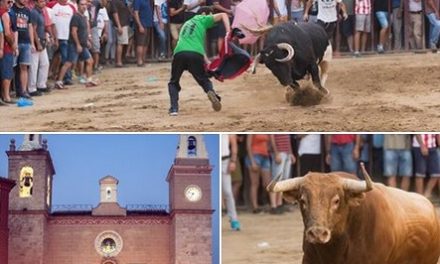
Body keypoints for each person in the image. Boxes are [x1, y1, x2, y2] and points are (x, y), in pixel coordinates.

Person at [167, 7, 230, 116]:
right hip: (195, 54)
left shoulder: (186, 24)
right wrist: (228, 32)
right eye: (210, 14)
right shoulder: (203, 18)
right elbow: (223, 14)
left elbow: (196, 45)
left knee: (174, 81)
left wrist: (207, 62)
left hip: (179, 52)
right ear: (204, 13)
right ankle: (211, 92)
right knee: (203, 79)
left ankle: (174, 109)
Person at [55, 0, 97, 89]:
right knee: (69, 63)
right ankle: (59, 81)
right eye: (82, 5)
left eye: (85, 4)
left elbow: (85, 31)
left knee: (89, 61)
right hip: (74, 44)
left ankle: (89, 80)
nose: (84, 6)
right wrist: (77, 44)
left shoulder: (84, 17)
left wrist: (87, 40)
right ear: (77, 5)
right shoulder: (76, 17)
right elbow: (74, 32)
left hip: (82, 44)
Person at [48, 0, 76, 85]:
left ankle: (66, 77)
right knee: (53, 58)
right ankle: (55, 75)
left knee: (65, 58)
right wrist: (54, 37)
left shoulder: (71, 7)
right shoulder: (53, 6)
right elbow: (51, 23)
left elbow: (74, 22)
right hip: (56, 36)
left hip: (67, 37)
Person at [11, 0, 35, 98]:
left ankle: (24, 91)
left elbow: (30, 27)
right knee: (12, 67)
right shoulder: (11, 9)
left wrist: (32, 43)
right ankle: (10, 91)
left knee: (24, 67)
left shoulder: (27, 10)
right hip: (14, 42)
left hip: (26, 42)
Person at [246, 134, 273, 214]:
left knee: (268, 183)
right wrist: (252, 161)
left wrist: (268, 148)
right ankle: (255, 207)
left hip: (265, 156)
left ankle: (272, 205)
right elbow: (248, 145)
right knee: (255, 183)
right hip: (255, 156)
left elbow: (269, 143)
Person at [28, 0, 51, 96]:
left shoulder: (42, 12)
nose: (44, 3)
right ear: (36, 3)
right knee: (34, 65)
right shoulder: (34, 12)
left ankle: (41, 84)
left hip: (42, 40)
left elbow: (42, 27)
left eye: (44, 1)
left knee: (45, 63)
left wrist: (46, 36)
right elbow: (33, 29)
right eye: (41, 1)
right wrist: (37, 43)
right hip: (37, 41)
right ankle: (32, 88)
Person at [270, 134, 295, 214]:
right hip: (279, 152)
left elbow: (288, 139)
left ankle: (279, 204)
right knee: (276, 179)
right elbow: (272, 136)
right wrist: (276, 152)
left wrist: (290, 153)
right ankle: (273, 205)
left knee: (283, 180)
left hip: (287, 153)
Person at [222, 134, 241, 231]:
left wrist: (233, 161)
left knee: (228, 192)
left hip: (225, 161)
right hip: (215, 159)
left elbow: (234, 143)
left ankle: (234, 220)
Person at [0, 0, 16, 105]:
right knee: (7, 73)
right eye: (8, 1)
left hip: (3, 47)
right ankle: (6, 96)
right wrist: (13, 45)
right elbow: (6, 32)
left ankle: (5, 96)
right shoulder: (4, 13)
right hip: (6, 47)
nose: (10, 3)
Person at [108, 0, 130, 67]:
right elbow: (115, 13)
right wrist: (119, 25)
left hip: (124, 23)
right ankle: (118, 62)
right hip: (121, 24)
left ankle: (120, 60)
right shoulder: (114, 2)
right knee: (120, 43)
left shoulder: (122, 1)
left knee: (122, 43)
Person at [133, 0, 153, 66]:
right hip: (142, 24)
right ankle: (139, 61)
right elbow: (136, 13)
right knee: (140, 44)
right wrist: (140, 25)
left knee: (145, 44)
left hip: (148, 24)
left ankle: (143, 60)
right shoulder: (137, 1)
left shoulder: (147, 1)